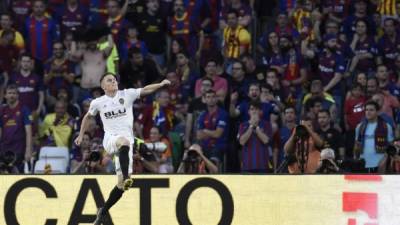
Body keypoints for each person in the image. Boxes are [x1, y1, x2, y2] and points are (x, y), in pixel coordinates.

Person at [74, 73, 170, 224]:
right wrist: (80, 135)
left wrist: (160, 84)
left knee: (121, 186)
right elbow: (87, 117)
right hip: (111, 139)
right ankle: (126, 175)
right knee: (124, 142)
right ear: (103, 86)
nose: (113, 81)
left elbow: (145, 89)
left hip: (125, 145)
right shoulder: (98, 102)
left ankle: (103, 211)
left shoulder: (127, 94)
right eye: (109, 80)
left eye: (114, 79)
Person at [354, 100, 394, 173]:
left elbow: (391, 146)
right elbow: (357, 145)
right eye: (366, 110)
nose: (368, 112)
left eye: (371, 110)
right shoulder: (360, 126)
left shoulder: (386, 127)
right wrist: (355, 158)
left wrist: (386, 160)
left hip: (380, 164)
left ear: (378, 112)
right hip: (363, 163)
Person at [0, 84, 33, 173]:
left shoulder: (24, 109)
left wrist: (28, 150)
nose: (11, 95)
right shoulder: (2, 110)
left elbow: (28, 131)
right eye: (9, 93)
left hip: (19, 149)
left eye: (14, 93)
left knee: (16, 173)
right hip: (4, 148)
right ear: (5, 95)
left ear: (18, 95)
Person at [237, 101, 273, 173]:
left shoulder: (267, 125)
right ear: (248, 112)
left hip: (262, 165)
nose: (254, 111)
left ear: (260, 112)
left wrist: (256, 127)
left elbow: (266, 140)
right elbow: (242, 142)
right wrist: (251, 126)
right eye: (252, 109)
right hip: (247, 165)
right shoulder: (242, 125)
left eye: (256, 109)